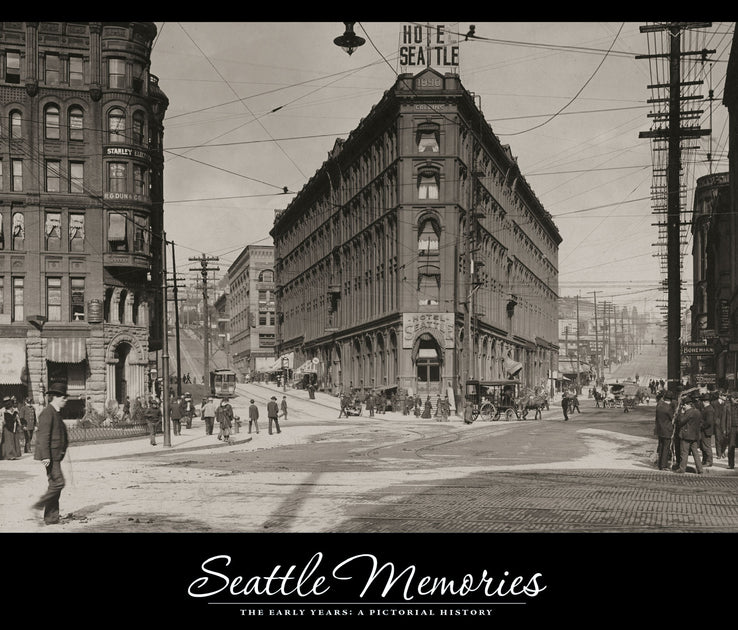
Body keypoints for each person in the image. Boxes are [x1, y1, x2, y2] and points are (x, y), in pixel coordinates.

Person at [32, 381, 70, 525]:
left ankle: (51, 518)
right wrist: (46, 455)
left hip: (56, 456)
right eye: (63, 398)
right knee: (58, 483)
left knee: (54, 485)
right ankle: (38, 506)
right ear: (55, 397)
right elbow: (43, 436)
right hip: (51, 457)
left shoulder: (55, 412)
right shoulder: (47, 413)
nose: (65, 400)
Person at [674, 396, 704, 474]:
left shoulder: (688, 413)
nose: (683, 407)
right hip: (695, 436)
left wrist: (681, 413)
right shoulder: (697, 411)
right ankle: (700, 469)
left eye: (684, 405)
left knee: (684, 453)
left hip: (686, 436)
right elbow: (701, 423)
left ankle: (682, 468)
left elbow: (681, 421)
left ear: (688, 405)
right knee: (695, 453)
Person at [653, 390, 675, 471]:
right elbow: (673, 419)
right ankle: (664, 465)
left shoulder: (659, 406)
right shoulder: (668, 408)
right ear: (671, 400)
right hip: (667, 430)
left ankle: (660, 464)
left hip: (659, 429)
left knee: (661, 447)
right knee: (666, 448)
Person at [700, 393, 715, 467]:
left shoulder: (709, 409)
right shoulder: (707, 408)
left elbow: (708, 422)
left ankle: (709, 461)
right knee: (703, 446)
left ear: (705, 401)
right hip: (705, 430)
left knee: (706, 447)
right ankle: (705, 460)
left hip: (706, 431)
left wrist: (701, 426)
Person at [714, 391, 728, 459]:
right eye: (724, 395)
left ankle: (723, 451)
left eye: (726, 396)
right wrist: (715, 421)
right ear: (720, 396)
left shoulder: (727, 403)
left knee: (725, 439)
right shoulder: (714, 403)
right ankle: (719, 454)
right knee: (718, 439)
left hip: (725, 423)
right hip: (717, 424)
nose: (726, 397)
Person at [727, 394, 738, 469]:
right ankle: (731, 464)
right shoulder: (728, 406)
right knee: (731, 447)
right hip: (732, 428)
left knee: (731, 446)